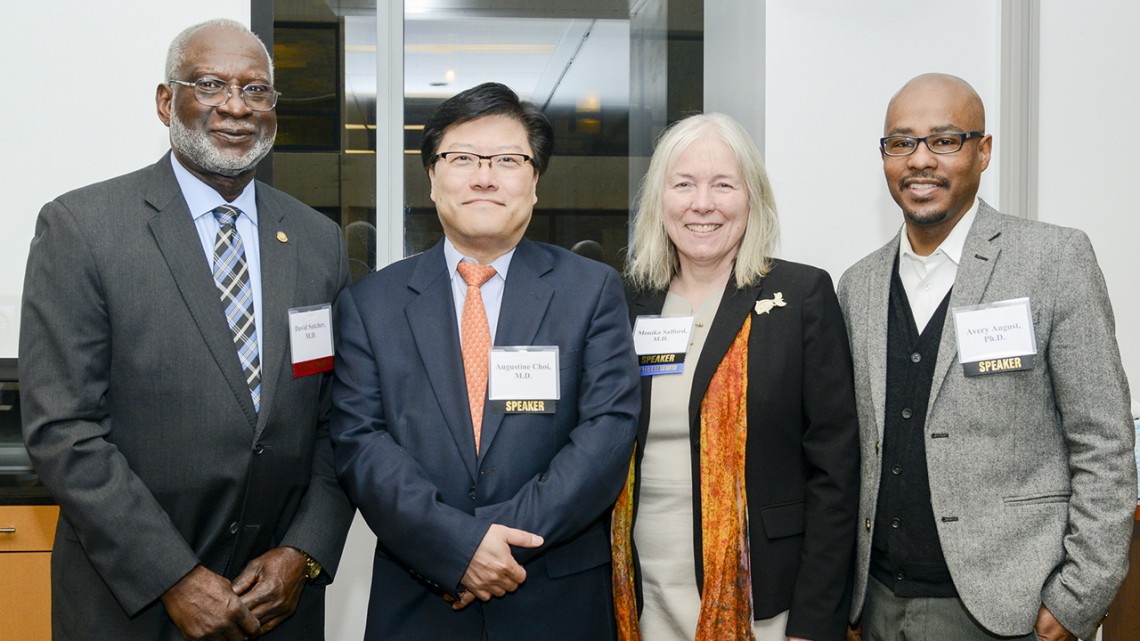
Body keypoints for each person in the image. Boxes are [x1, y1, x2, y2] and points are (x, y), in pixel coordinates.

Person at [20, 19, 354, 640]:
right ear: (166, 101)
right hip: (132, 604)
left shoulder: (317, 241)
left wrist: (303, 551)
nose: (236, 106)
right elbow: (62, 429)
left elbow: (339, 421)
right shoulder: (82, 227)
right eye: (210, 84)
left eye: (257, 90)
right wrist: (172, 575)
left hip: (277, 606)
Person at [330, 82, 640, 640]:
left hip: (554, 595)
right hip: (419, 597)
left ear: (535, 180)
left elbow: (607, 432)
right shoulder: (370, 303)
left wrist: (491, 543)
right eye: (462, 158)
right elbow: (360, 441)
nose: (484, 176)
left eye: (507, 160)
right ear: (431, 177)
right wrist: (454, 546)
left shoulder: (590, 291)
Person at [838, 73, 1135, 641]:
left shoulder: (1053, 261)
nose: (920, 160)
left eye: (944, 140)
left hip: (1010, 610)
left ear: (984, 151)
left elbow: (1105, 442)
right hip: (876, 604)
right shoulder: (859, 285)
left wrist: (1078, 599)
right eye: (901, 142)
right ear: (884, 157)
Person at [614, 112, 860, 641]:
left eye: (723, 184)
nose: (703, 203)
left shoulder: (800, 296)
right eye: (684, 184)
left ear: (752, 198)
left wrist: (815, 620)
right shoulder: (625, 304)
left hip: (765, 599)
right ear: (660, 199)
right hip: (643, 592)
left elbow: (835, 471)